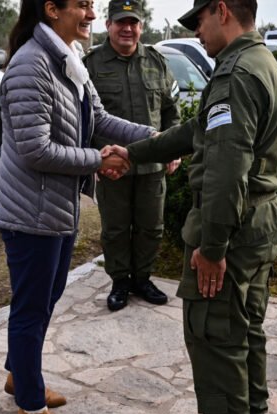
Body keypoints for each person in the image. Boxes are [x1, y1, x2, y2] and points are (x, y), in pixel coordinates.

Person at [110, 0, 277, 414]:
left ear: (223, 10)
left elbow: (226, 171)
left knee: (215, 338)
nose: (196, 33)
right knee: (245, 330)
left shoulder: (236, 76)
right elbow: (197, 131)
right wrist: (134, 151)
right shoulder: (262, 62)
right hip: (260, 222)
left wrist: (212, 250)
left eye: (200, 22)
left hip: (233, 230)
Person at [0, 0, 156, 414]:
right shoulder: (30, 65)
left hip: (55, 209)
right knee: (31, 308)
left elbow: (97, 119)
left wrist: (152, 140)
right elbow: (34, 150)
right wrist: (97, 160)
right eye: (82, 5)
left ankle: (17, 376)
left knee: (44, 298)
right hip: (29, 214)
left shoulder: (67, 58)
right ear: (51, 9)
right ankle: (30, 408)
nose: (92, 16)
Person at [83, 0, 181, 312]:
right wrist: (93, 159)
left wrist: (173, 149)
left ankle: (142, 278)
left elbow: (170, 111)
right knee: (115, 228)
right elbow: (83, 120)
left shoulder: (156, 61)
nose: (127, 29)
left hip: (152, 165)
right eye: (120, 22)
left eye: (133, 22)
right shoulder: (91, 65)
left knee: (151, 226)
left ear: (141, 26)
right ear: (108, 25)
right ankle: (120, 282)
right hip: (113, 168)